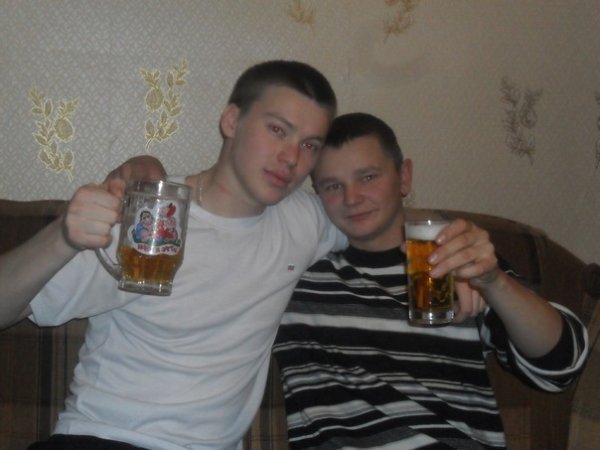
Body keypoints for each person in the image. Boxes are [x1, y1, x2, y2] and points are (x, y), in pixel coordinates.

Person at [0, 60, 348, 450]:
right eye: (277, 130)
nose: (292, 158)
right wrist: (62, 236)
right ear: (232, 121)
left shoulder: (304, 221)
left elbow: (376, 217)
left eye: (309, 145)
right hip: (104, 438)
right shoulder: (147, 213)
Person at [272, 112, 589, 449]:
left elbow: (563, 367)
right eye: (333, 186)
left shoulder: (454, 258)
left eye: (368, 177)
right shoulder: (296, 277)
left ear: (404, 177)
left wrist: (493, 282)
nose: (352, 198)